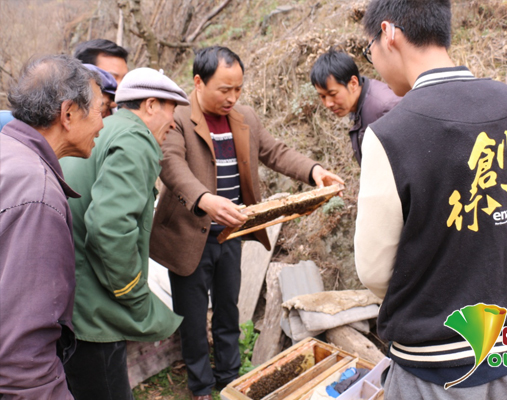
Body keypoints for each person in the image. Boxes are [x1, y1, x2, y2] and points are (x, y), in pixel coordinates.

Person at [354, 1, 507, 399]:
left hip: (433, 362)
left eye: (368, 47)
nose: (372, 59)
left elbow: (374, 271)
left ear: (389, 33)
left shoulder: (390, 135)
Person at [149, 46, 344, 400]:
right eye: (225, 89)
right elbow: (171, 165)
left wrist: (314, 171)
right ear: (198, 81)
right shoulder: (177, 117)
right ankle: (201, 387)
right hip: (189, 234)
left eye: (238, 89)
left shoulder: (245, 118)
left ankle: (229, 378)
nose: (232, 97)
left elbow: (275, 152)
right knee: (192, 319)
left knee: (228, 311)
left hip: (231, 232)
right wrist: (206, 200)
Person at [60, 68, 189, 400]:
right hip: (96, 311)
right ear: (149, 105)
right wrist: (133, 293)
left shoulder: (105, 130)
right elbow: (108, 228)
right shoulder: (135, 140)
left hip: (70, 302)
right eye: (171, 111)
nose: (174, 123)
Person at [0, 55, 104, 399]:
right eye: (101, 111)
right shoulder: (37, 193)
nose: (103, 125)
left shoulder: (7, 152)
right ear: (69, 113)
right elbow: (23, 356)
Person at [310, 48, 401, 165]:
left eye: (333, 94)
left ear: (353, 83)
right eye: (322, 96)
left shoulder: (384, 108)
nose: (328, 104)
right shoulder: (359, 105)